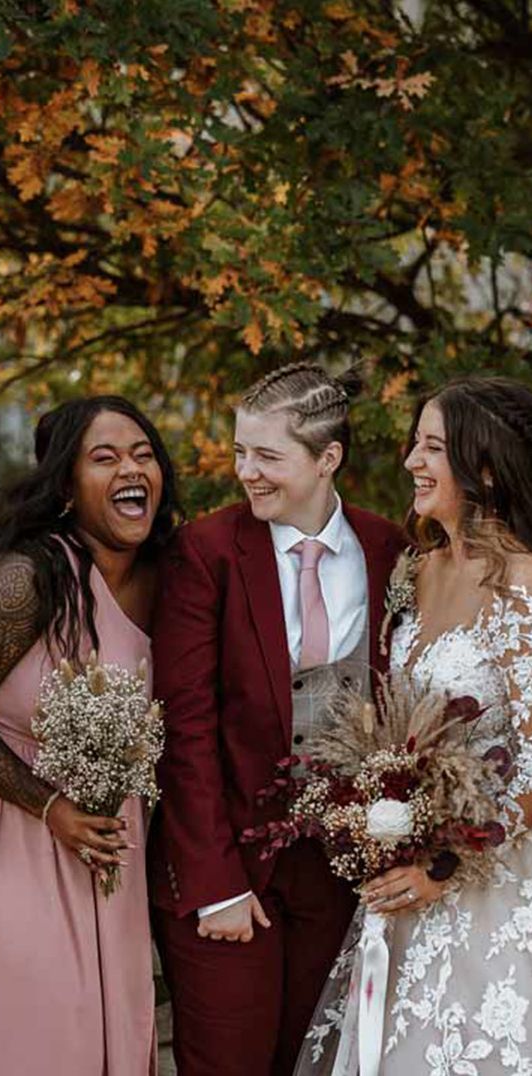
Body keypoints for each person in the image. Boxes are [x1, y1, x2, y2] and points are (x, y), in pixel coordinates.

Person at [0, 396, 179, 1076]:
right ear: (66, 488)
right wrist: (52, 806)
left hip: (106, 846)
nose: (131, 468)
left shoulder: (174, 578)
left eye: (142, 454)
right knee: (17, 1033)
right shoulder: (30, 579)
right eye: (104, 458)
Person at [149, 362, 406, 1076]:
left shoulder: (391, 553)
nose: (246, 473)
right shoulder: (207, 553)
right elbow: (186, 728)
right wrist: (215, 884)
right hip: (228, 870)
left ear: (328, 459)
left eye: (267, 456)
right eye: (239, 451)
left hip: (339, 877)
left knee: (317, 1063)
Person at [294, 375, 532, 1075]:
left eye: (432, 447)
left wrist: (447, 863)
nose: (411, 463)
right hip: (404, 885)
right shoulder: (415, 572)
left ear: (483, 467)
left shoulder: (524, 583)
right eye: (414, 445)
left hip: (492, 884)